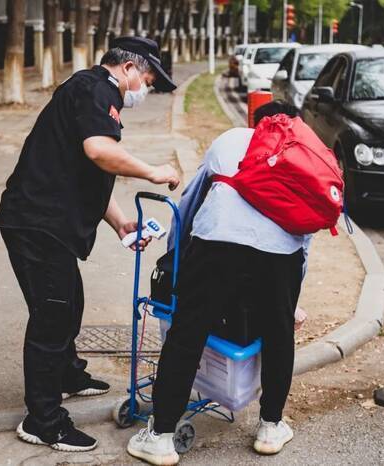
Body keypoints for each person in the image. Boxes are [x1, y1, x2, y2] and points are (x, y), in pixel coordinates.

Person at [0, 37, 180, 452]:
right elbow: (99, 151)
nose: (144, 90)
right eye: (147, 79)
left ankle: (66, 375)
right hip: (37, 223)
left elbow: (89, 170)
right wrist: (152, 172)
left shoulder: (90, 89)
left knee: (69, 302)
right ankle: (43, 420)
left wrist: (120, 223)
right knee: (52, 317)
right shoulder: (98, 90)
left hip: (44, 223)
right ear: (129, 69)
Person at [127, 101, 312, 465]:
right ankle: (271, 426)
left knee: (188, 330)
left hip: (217, 245)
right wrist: (291, 297)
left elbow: (191, 202)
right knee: (278, 333)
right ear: (295, 124)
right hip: (281, 253)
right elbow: (306, 235)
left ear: (254, 122)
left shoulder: (231, 140)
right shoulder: (301, 152)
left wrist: (175, 257)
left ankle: (161, 436)